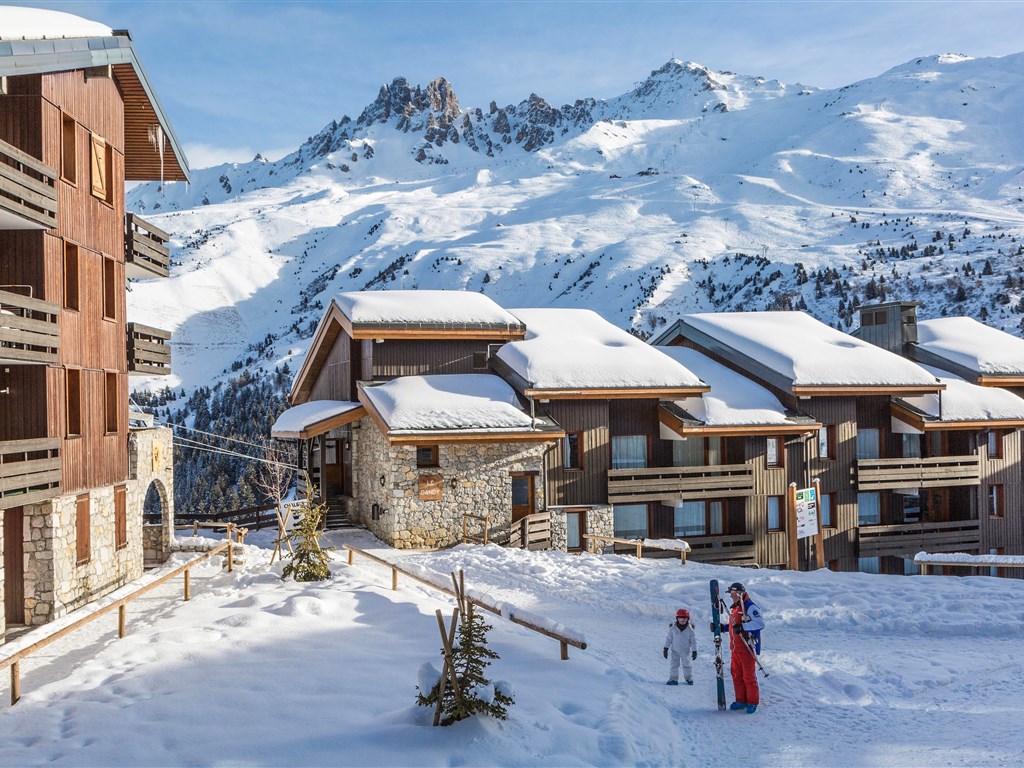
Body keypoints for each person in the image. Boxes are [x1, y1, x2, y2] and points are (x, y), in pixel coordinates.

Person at [723, 582, 764, 713]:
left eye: (732, 593)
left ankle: (752, 702)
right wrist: (721, 628)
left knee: (748, 676)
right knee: (736, 675)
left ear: (738, 593)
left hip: (747, 648)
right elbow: (734, 626)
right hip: (735, 649)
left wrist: (743, 627)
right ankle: (741, 700)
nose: (730, 596)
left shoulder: (750, 607)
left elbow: (759, 623)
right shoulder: (735, 607)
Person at [663, 608, 698, 685]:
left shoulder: (690, 630)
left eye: (684, 619)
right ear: (677, 619)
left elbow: (693, 641)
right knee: (674, 665)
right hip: (675, 651)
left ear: (687, 619)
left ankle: (689, 678)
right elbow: (668, 639)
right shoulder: (673, 629)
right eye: (680, 618)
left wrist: (694, 651)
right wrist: (665, 648)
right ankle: (673, 679)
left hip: (685, 652)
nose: (682, 620)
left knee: (687, 665)